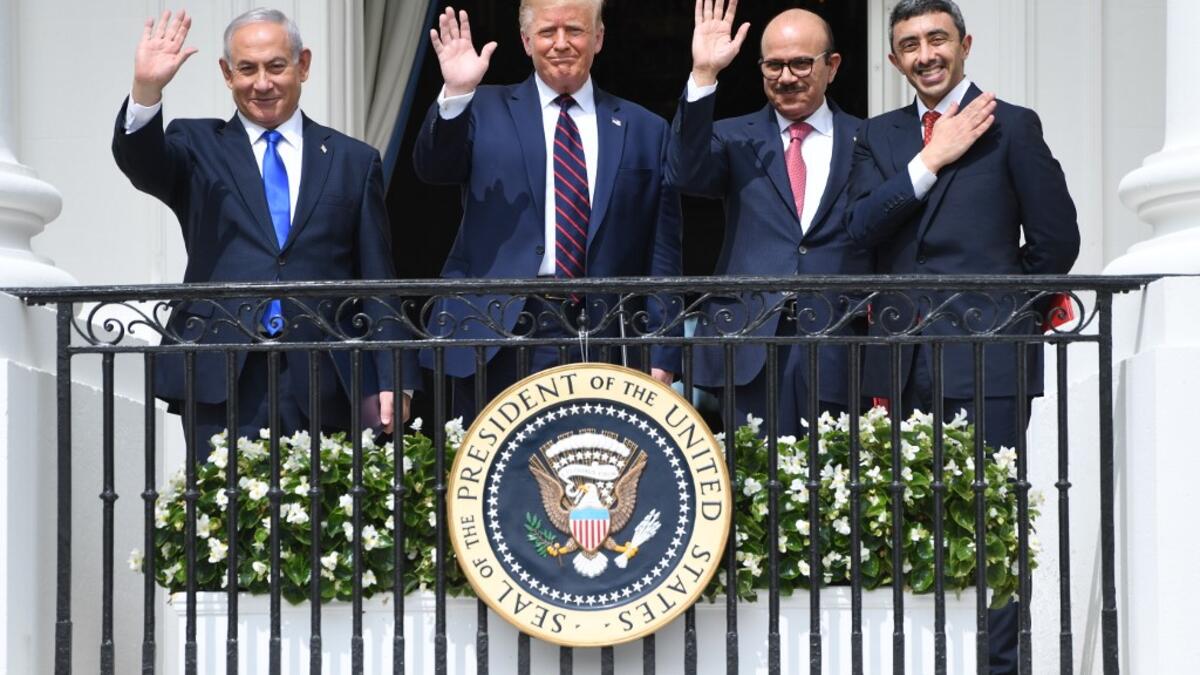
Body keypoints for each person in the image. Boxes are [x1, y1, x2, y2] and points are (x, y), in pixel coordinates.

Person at [845, 1, 1080, 671]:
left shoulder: (1013, 126)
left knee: (992, 525)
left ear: (965, 44)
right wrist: (931, 157)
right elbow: (860, 229)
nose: (925, 54)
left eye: (937, 39)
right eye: (910, 45)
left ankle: (998, 666)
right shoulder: (879, 137)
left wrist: (1010, 316)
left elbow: (1057, 239)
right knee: (907, 520)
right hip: (900, 363)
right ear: (894, 60)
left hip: (989, 360)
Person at [112, 9, 417, 455]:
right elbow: (142, 162)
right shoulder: (197, 146)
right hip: (222, 370)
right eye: (247, 69)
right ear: (226, 73)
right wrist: (147, 90)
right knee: (223, 518)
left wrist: (394, 377)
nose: (262, 83)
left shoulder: (353, 160)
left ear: (303, 65)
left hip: (325, 374)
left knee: (322, 518)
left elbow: (376, 278)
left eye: (276, 66)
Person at [413, 1, 683, 420]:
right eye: (546, 32)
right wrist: (456, 94)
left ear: (598, 38)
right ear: (525, 41)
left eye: (574, 30)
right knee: (493, 476)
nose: (561, 43)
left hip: (603, 334)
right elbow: (434, 170)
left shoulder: (645, 129)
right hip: (496, 334)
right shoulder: (481, 109)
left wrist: (663, 352)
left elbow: (662, 254)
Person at [666, 1, 870, 437]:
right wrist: (704, 75)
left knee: (834, 488)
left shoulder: (866, 139)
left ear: (832, 66)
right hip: (750, 343)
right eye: (773, 65)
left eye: (800, 63)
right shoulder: (735, 136)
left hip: (837, 342)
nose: (786, 77)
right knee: (753, 485)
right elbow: (683, 172)